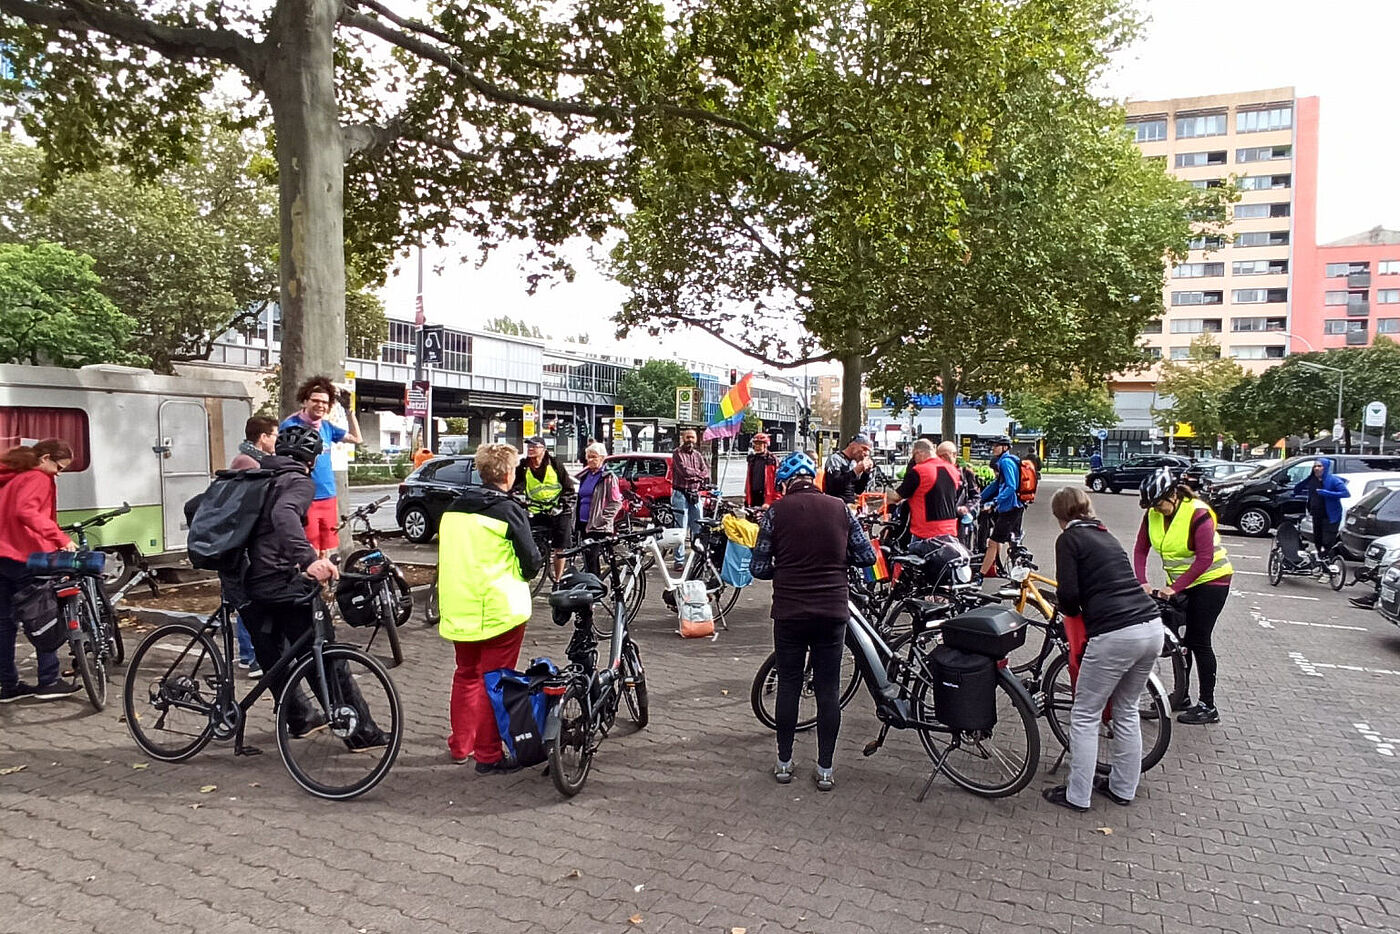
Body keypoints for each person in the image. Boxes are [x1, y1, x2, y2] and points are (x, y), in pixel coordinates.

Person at [240, 425, 386, 747]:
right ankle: (360, 732)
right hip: (279, 581)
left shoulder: (257, 476)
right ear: (312, 459)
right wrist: (308, 560)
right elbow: (284, 514)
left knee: (274, 657)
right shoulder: (298, 481)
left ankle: (301, 719)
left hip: (245, 584)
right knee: (323, 654)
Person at [751, 452, 877, 792]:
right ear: (814, 480)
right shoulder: (841, 510)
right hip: (832, 611)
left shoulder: (775, 513)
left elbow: (758, 568)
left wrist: (788, 569)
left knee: (789, 684)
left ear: (786, 483)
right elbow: (866, 556)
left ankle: (784, 762)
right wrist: (836, 560)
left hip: (790, 612)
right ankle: (824, 768)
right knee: (827, 689)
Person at [1041, 487, 1165, 812]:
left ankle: (1077, 795)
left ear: (1060, 516)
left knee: (1085, 714)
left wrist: (1074, 609)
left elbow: (1068, 597)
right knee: (1126, 710)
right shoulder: (1104, 533)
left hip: (1115, 633)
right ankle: (1123, 788)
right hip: (1151, 627)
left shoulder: (1069, 539)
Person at [439, 443, 543, 771]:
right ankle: (487, 755)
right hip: (499, 608)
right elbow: (531, 562)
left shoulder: (453, 509)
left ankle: (461, 744)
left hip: (459, 605)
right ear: (509, 473)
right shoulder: (508, 510)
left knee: (465, 675)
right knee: (494, 681)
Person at [1134, 467, 1232, 725]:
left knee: (1199, 641)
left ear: (1173, 494)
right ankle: (1182, 696)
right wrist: (1142, 582)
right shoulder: (1153, 514)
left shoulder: (1197, 513)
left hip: (1212, 581)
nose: (1157, 509)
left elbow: (1204, 559)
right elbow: (1140, 550)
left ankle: (1208, 705)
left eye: (1159, 504)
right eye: (1151, 505)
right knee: (1180, 643)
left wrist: (1173, 589)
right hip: (1180, 584)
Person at [0, 440, 81, 702]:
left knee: (5, 624)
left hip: (3, 556)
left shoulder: (13, 477)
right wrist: (60, 538)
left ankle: (8, 685)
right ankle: (49, 680)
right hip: (26, 556)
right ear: (45, 457)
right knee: (43, 616)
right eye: (58, 467)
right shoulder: (37, 477)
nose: (58, 473)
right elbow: (27, 512)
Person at [279, 376, 362, 558]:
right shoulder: (291, 425)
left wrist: (350, 412)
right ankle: (311, 585)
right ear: (305, 401)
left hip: (328, 495)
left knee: (326, 550)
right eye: (315, 400)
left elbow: (357, 439)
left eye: (324, 402)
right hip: (305, 497)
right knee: (311, 551)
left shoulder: (326, 426)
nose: (320, 405)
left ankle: (324, 586)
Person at [228, 416, 279, 677]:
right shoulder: (248, 463)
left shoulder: (247, 459)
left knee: (245, 599)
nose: (276, 440)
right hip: (243, 545)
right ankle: (250, 656)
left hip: (242, 543)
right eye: (274, 435)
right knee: (247, 601)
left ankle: (249, 655)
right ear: (263, 438)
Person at [511, 436, 576, 581]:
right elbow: (516, 487)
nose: (531, 449)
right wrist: (519, 498)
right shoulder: (523, 466)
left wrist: (561, 505)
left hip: (558, 510)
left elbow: (569, 488)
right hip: (536, 510)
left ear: (544, 450)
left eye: (534, 446)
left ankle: (558, 580)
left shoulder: (555, 464)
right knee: (526, 540)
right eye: (529, 447)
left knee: (560, 547)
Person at [886, 439, 961, 547]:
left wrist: (883, 496)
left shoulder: (919, 471)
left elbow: (897, 496)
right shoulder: (953, 470)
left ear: (919, 453)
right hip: (950, 530)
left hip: (926, 533)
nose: (914, 460)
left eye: (914, 456)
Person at [978, 436, 1025, 579]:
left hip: (1009, 509)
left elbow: (1011, 486)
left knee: (993, 542)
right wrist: (979, 498)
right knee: (1013, 541)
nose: (993, 448)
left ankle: (980, 576)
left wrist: (994, 502)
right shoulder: (1008, 461)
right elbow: (995, 485)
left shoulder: (1005, 462)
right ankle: (1018, 576)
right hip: (1015, 507)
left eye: (996, 445)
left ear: (1005, 447)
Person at [574, 442, 623, 574]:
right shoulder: (585, 475)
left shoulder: (608, 477)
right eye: (588, 457)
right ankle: (591, 586)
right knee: (587, 558)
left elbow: (616, 502)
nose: (590, 460)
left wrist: (601, 519)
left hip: (598, 526)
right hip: (584, 523)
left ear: (602, 458)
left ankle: (595, 589)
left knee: (592, 559)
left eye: (594, 457)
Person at [667, 428, 710, 567]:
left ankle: (697, 558)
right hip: (680, 494)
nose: (690, 440)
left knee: (698, 527)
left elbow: (706, 471)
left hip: (695, 494)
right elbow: (684, 472)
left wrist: (697, 475)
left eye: (692, 438)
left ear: (696, 440)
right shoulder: (677, 453)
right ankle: (679, 561)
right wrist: (698, 475)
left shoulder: (698, 455)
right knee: (680, 529)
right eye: (687, 437)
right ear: (682, 438)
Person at [1293, 458, 1348, 555]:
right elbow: (1297, 489)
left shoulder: (1333, 480)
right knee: (1318, 539)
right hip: (1316, 513)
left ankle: (1329, 558)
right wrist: (1297, 489)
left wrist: (1327, 493)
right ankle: (1320, 556)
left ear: (1325, 467)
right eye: (1315, 466)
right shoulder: (1312, 479)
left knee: (1327, 540)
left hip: (1330, 515)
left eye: (1319, 466)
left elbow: (1346, 493)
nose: (1316, 468)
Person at [822, 434, 874, 505]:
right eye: (864, 449)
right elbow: (833, 486)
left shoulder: (853, 463)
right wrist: (855, 472)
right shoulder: (835, 459)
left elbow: (858, 490)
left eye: (868, 451)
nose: (866, 453)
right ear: (853, 445)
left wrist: (866, 473)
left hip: (850, 506)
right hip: (835, 504)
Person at [744, 433, 779, 509]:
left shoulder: (772, 460)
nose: (757, 447)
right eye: (755, 444)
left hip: (766, 497)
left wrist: (770, 501)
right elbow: (748, 480)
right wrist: (747, 498)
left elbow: (777, 482)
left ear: (766, 445)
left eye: (760, 444)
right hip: (753, 495)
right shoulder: (752, 459)